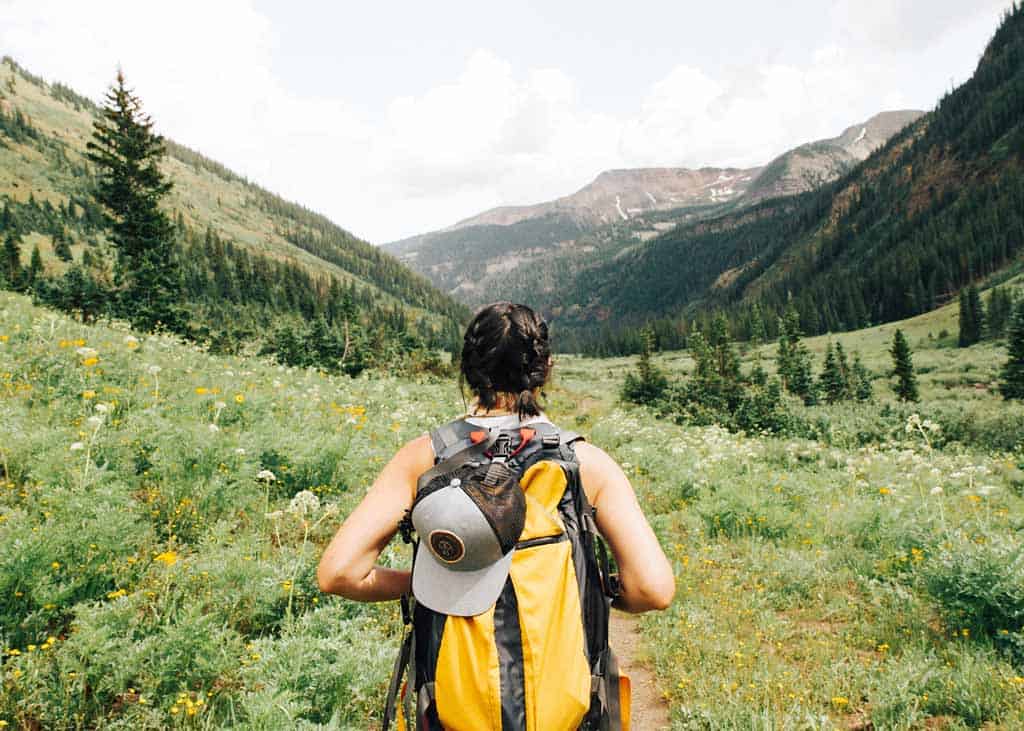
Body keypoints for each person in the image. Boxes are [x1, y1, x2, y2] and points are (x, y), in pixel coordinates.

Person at [317, 301, 675, 726]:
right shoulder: (585, 462)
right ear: (545, 368)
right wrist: (597, 590)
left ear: (468, 368)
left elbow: (338, 573)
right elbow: (654, 589)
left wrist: (425, 585)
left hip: (456, 712)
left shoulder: (425, 458)